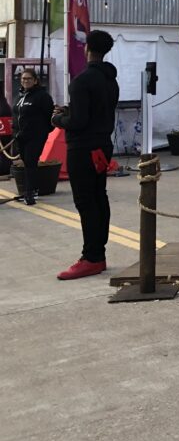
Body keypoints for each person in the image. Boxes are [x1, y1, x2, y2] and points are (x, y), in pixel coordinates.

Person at [51, 30, 119, 280]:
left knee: (85, 202)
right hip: (102, 145)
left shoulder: (81, 81)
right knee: (99, 197)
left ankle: (91, 257)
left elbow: (78, 121)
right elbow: (96, 112)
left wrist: (59, 118)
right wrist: (71, 111)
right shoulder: (110, 78)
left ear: (87, 47)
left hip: (82, 148)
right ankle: (97, 253)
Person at [12, 68, 54, 206]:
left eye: (29, 79)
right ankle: (33, 189)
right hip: (20, 136)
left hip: (35, 136)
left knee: (30, 161)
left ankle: (29, 193)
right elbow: (16, 115)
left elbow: (50, 116)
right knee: (27, 163)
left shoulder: (42, 96)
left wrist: (43, 132)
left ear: (35, 80)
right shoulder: (19, 97)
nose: (25, 81)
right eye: (23, 79)